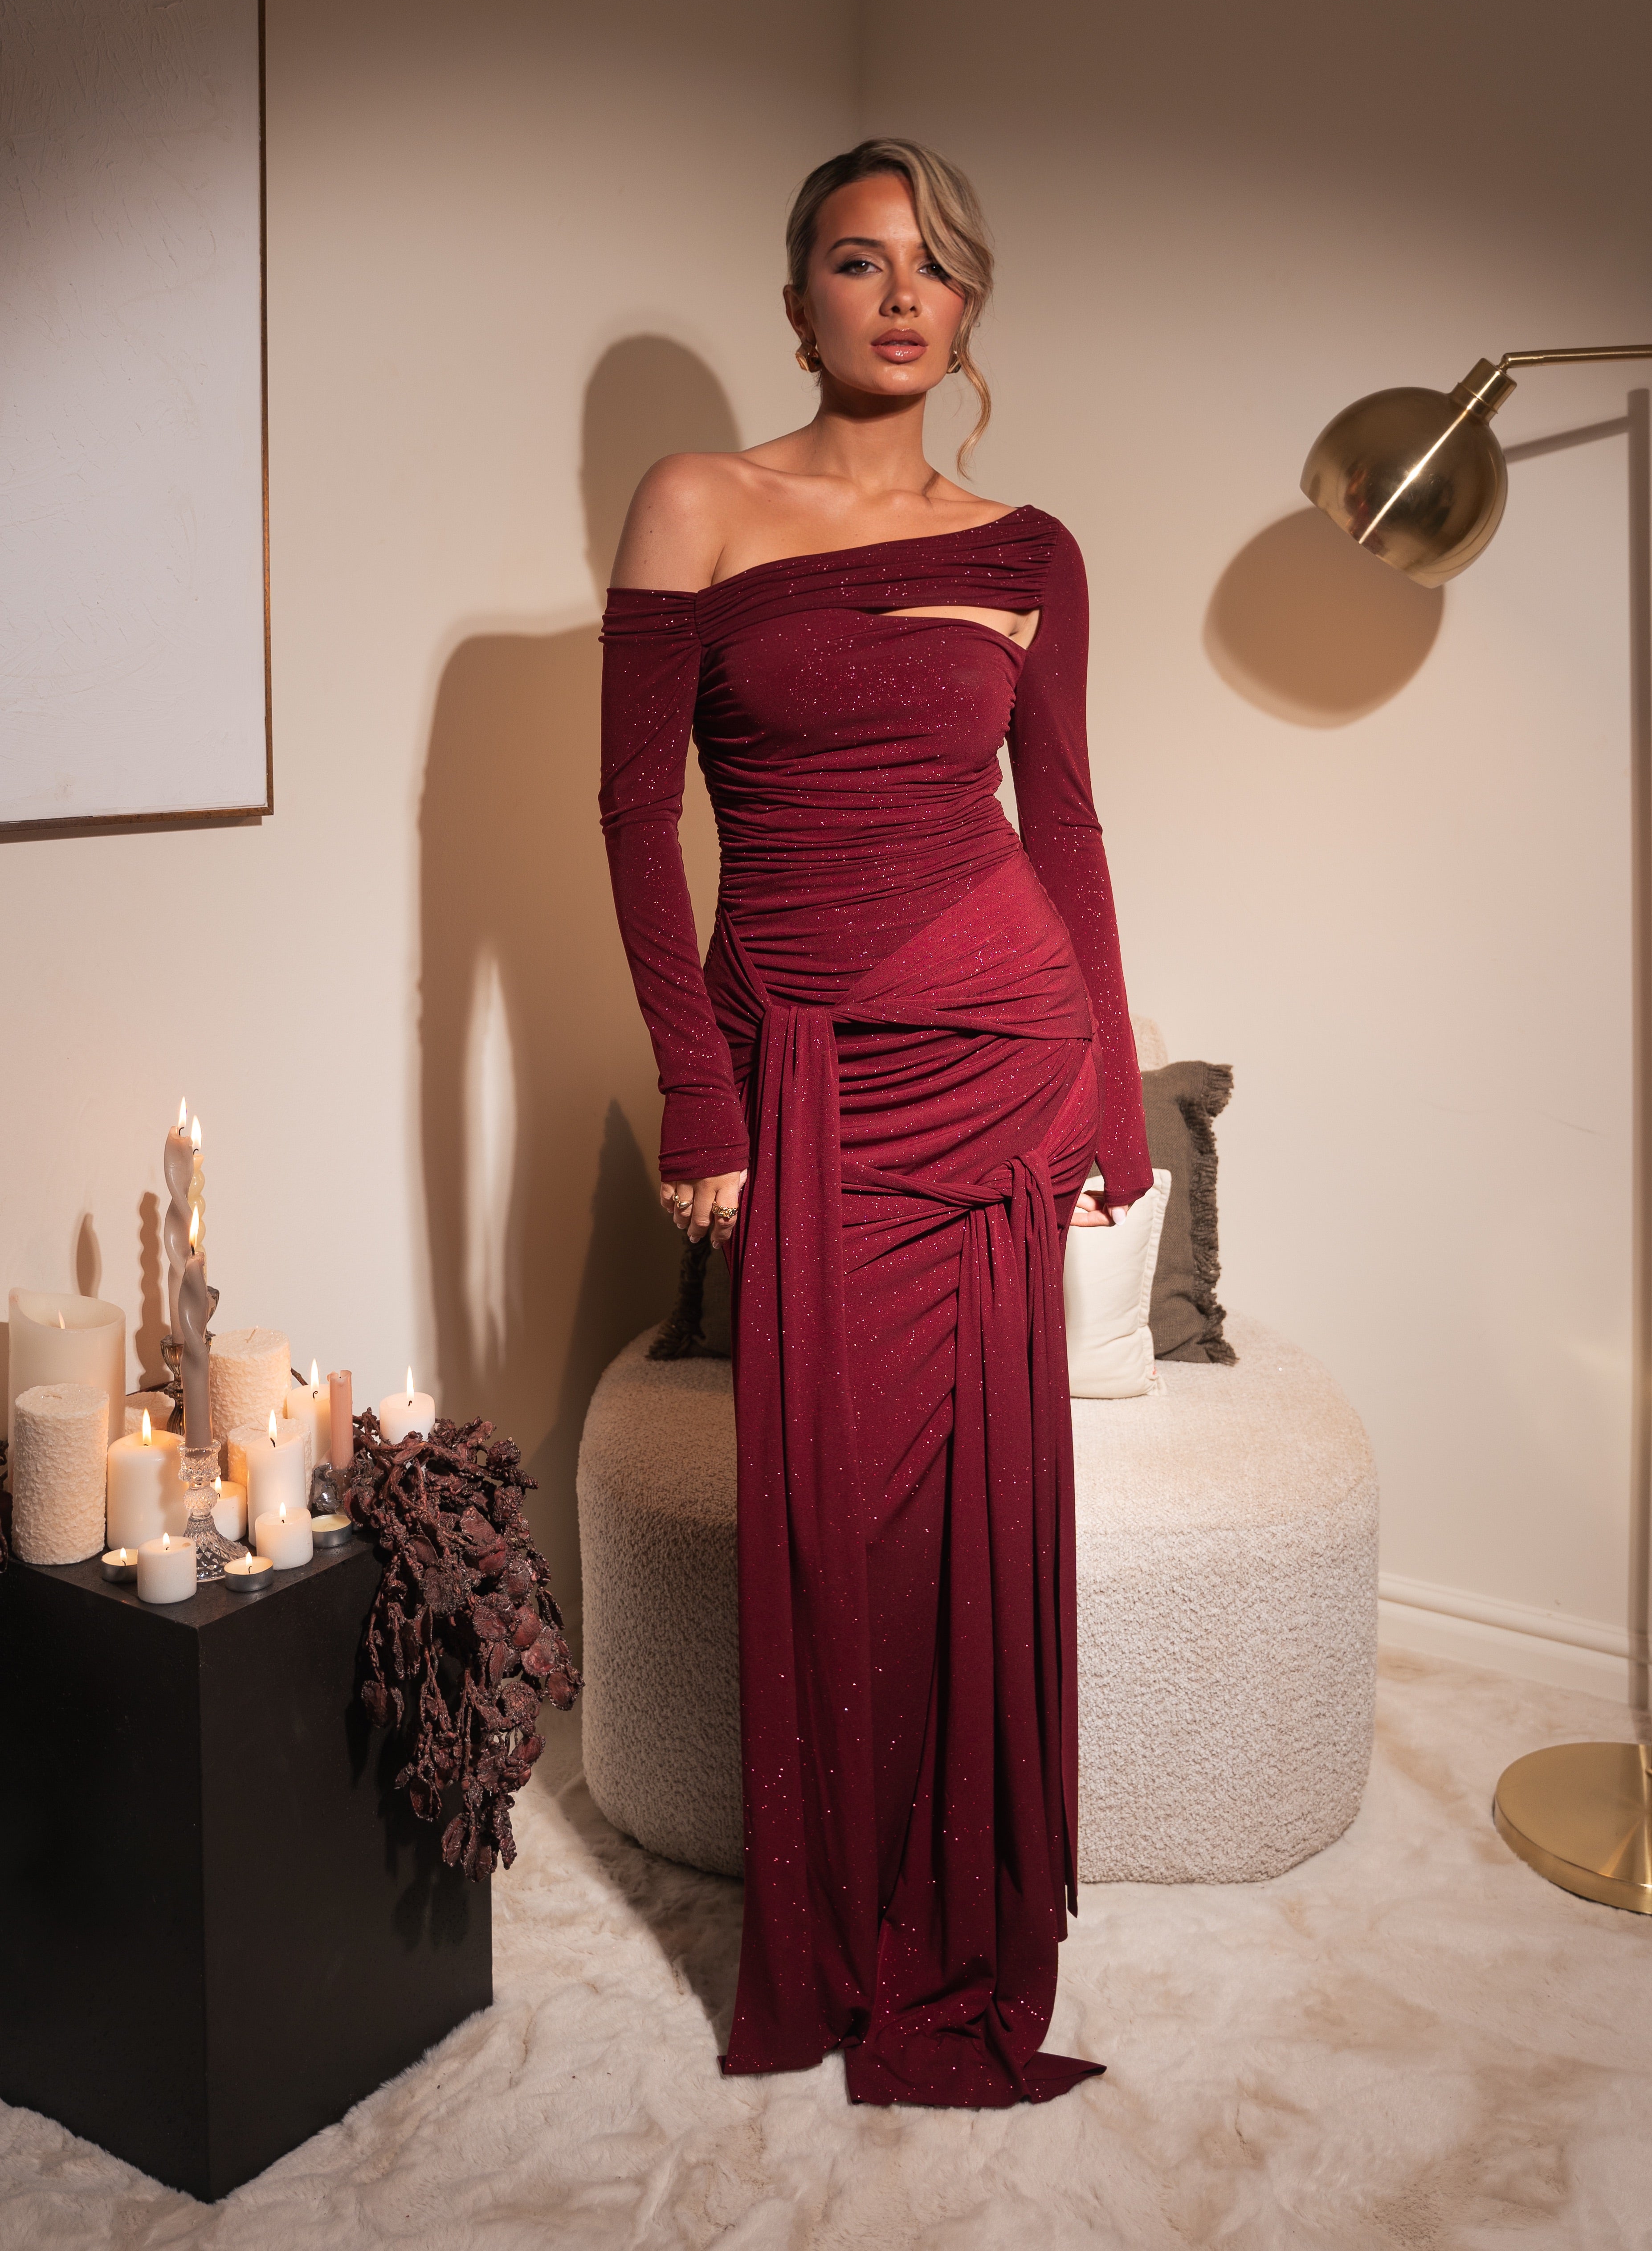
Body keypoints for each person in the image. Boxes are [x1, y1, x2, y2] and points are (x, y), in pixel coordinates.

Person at [599, 139, 1151, 2107]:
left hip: (1001, 1040)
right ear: (798, 299)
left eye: (934, 268)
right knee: (838, 1512)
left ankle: (955, 1928)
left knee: (974, 1508)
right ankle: (837, 1935)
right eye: (858, 260)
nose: (900, 296)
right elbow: (631, 814)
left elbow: (1063, 823)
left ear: (968, 308)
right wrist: (698, 1074)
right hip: (810, 1067)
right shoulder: (696, 500)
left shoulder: (1030, 550)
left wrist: (1108, 1087)